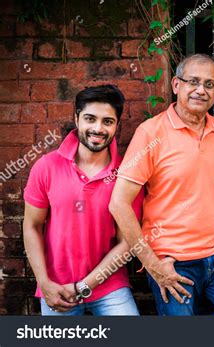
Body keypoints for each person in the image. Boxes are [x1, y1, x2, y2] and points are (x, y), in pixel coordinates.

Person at [109, 54, 214, 316]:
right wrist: (152, 265)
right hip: (171, 262)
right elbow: (118, 204)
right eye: (193, 82)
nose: (201, 90)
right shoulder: (150, 133)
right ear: (176, 85)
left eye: (209, 84)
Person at [23, 85, 143, 316]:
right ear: (77, 119)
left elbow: (127, 241)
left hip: (109, 286)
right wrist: (44, 283)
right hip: (56, 287)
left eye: (107, 121)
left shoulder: (126, 173)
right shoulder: (47, 166)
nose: (98, 128)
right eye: (90, 119)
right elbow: (31, 226)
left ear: (117, 125)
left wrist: (84, 286)